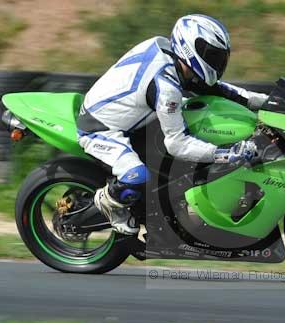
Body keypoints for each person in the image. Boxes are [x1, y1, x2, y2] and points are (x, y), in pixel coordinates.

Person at [77, 14, 268, 235]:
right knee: (137, 176)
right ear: (189, 48)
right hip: (101, 127)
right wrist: (226, 154)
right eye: (212, 56)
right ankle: (108, 202)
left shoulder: (172, 56)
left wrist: (267, 101)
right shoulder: (166, 86)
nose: (218, 63)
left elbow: (220, 89)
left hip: (134, 116)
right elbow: (177, 144)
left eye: (220, 57)